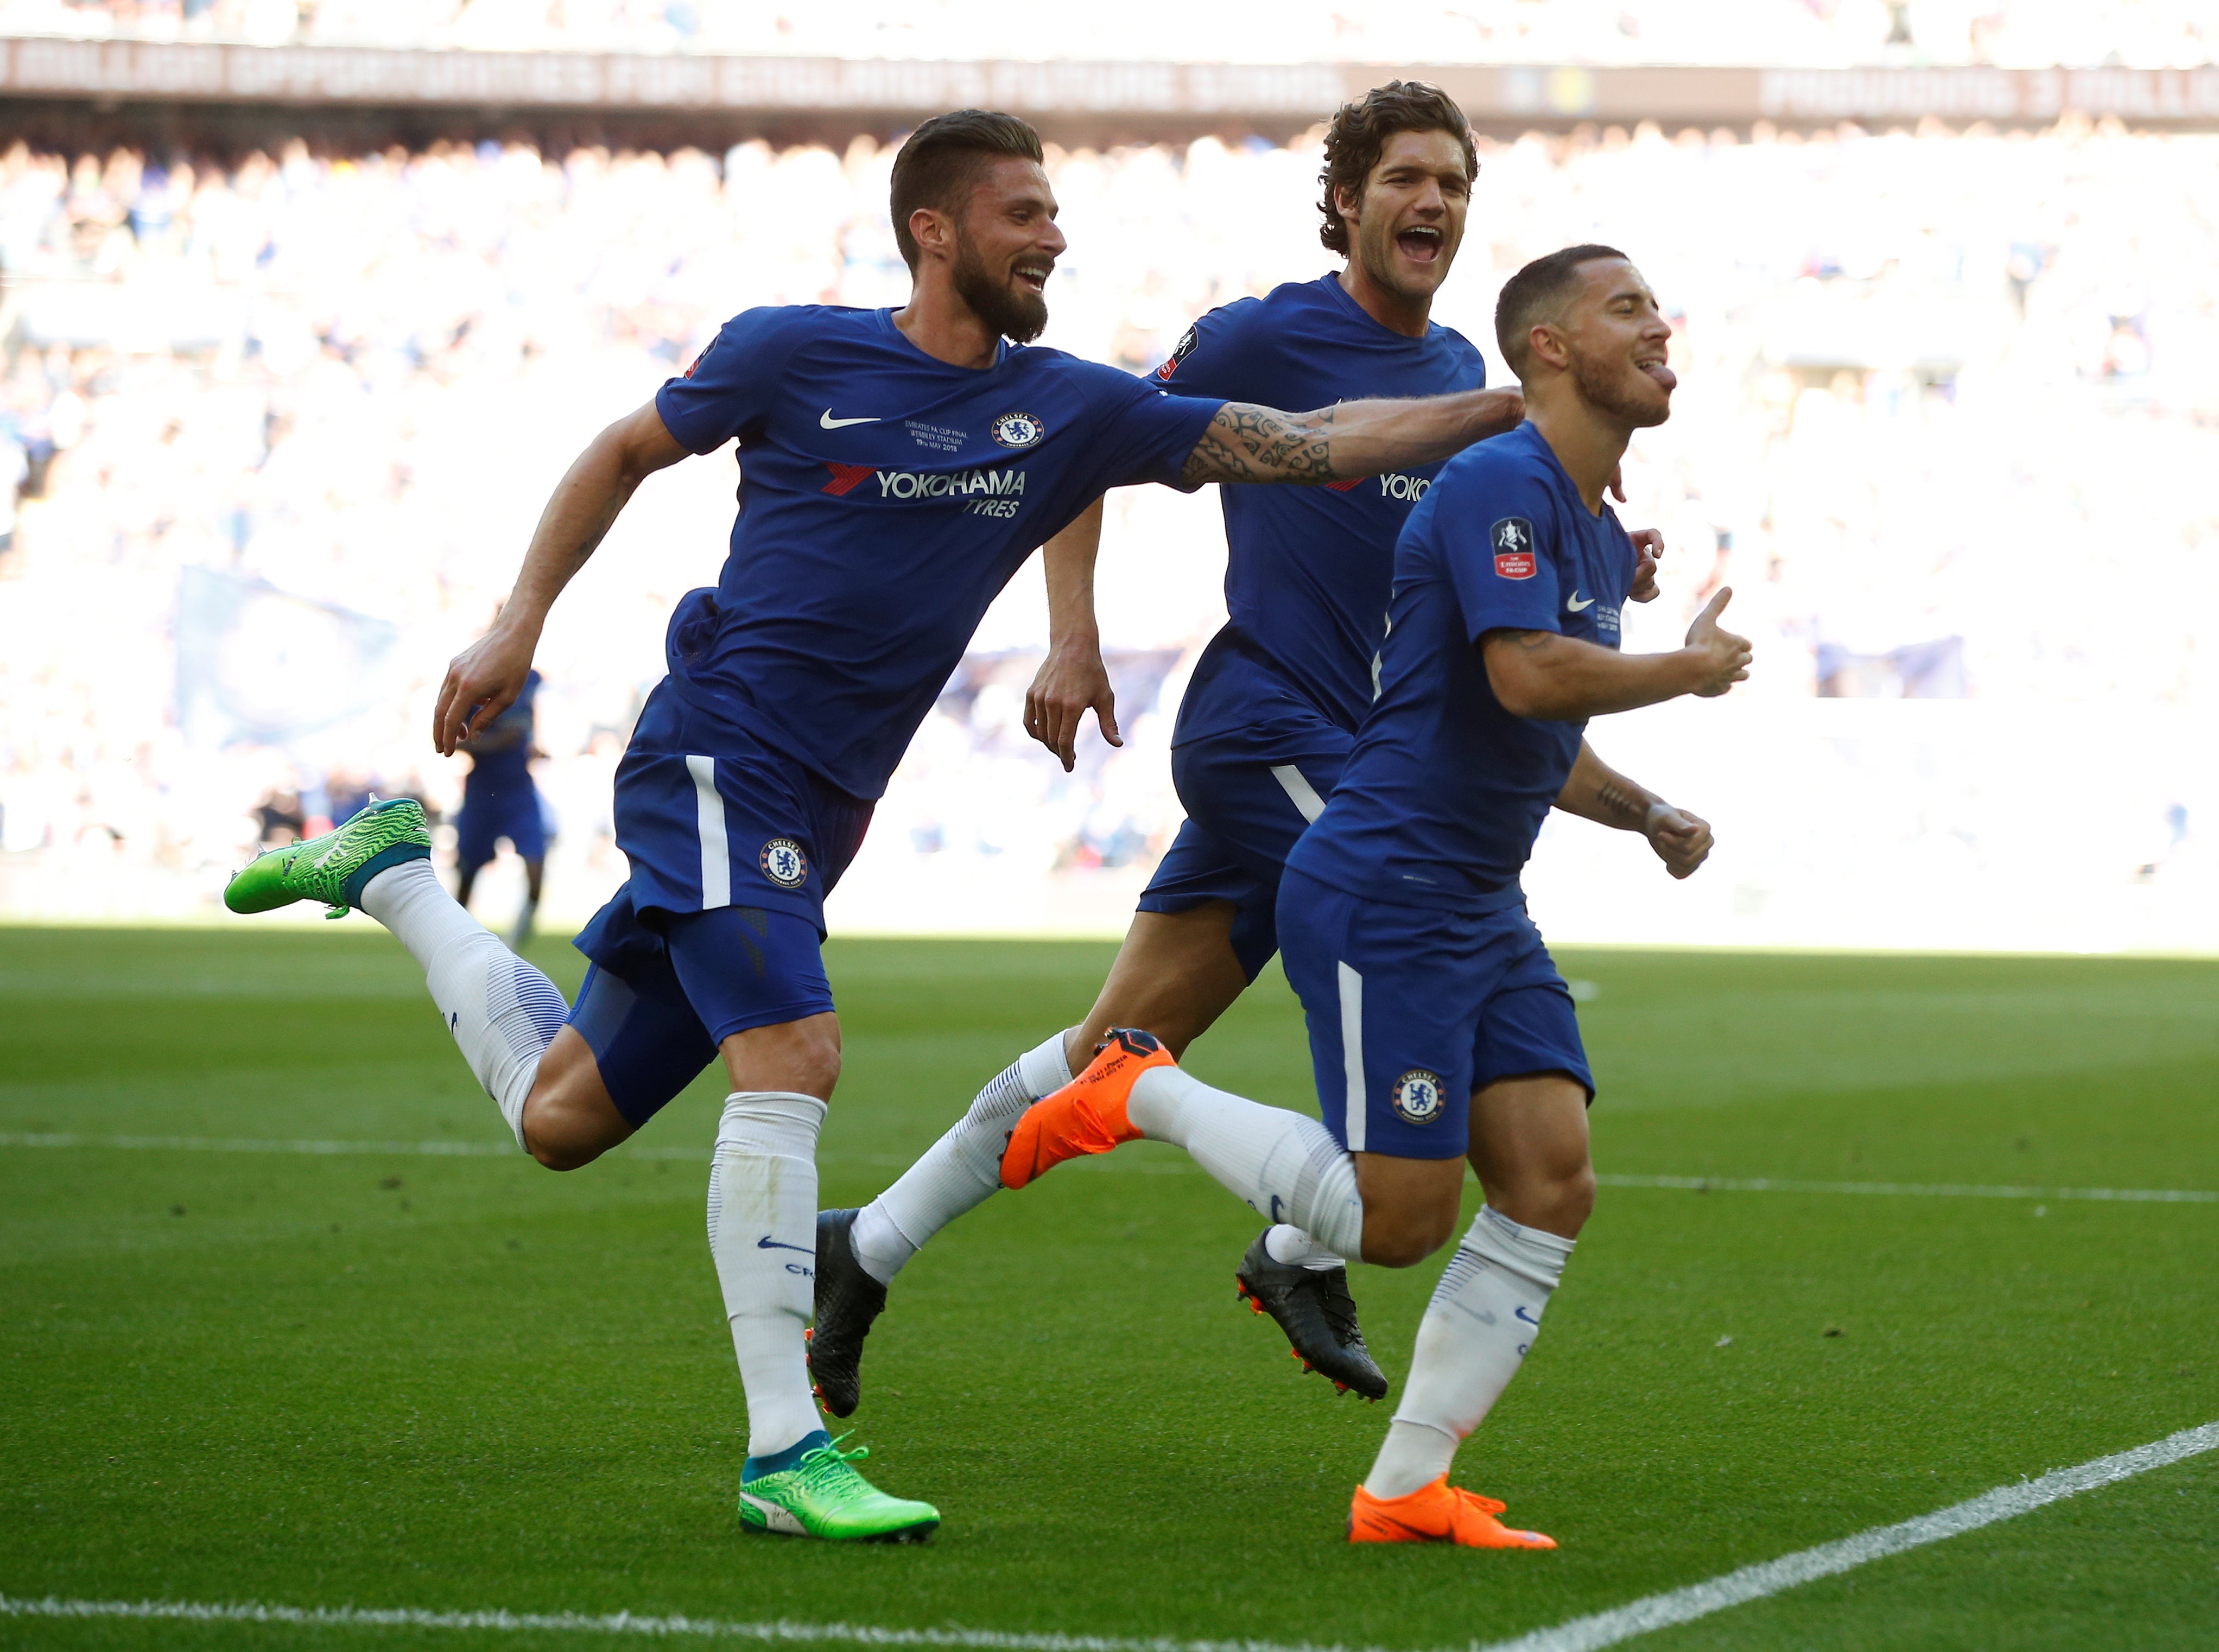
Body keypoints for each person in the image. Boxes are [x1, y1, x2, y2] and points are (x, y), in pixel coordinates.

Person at [219, 108, 1523, 1546]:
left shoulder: (1071, 404)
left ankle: (394, 875)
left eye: (1055, 213)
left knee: (564, 1115)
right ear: (937, 229)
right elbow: (621, 448)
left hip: (820, 808)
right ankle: (785, 1451)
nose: (1056, 236)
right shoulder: (794, 349)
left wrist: (1512, 409)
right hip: (717, 753)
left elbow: (1306, 444)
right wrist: (519, 616)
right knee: (796, 1055)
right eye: (1026, 213)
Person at [810, 81, 1672, 1421]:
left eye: (1450, 182)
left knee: (1108, 1045)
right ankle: (1304, 1244)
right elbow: (1087, 446)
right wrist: (1071, 635)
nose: (1430, 201)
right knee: (1421, 934)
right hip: (1271, 727)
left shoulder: (1461, 378)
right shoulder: (1265, 336)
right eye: (1403, 179)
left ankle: (861, 1247)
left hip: (1363, 751)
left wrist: (1599, 554)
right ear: (1345, 200)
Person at [997, 245, 1751, 1548]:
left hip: (1475, 894)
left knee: (1550, 1177)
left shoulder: (1577, 517)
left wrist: (1645, 812)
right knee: (1398, 1221)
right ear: (1551, 350)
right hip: (1390, 883)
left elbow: (1532, 723)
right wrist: (1685, 667)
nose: (1660, 322)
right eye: (1628, 305)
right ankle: (1134, 1084)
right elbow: (1524, 673)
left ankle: (1403, 1488)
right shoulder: (1496, 482)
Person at [452, 664, 550, 945]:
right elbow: (451, 738)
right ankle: (456, 939)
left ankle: (513, 947)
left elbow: (528, 724)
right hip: (484, 790)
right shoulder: (472, 677)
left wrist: (530, 745)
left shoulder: (532, 678)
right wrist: (492, 743)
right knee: (467, 873)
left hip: (518, 786)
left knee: (535, 871)